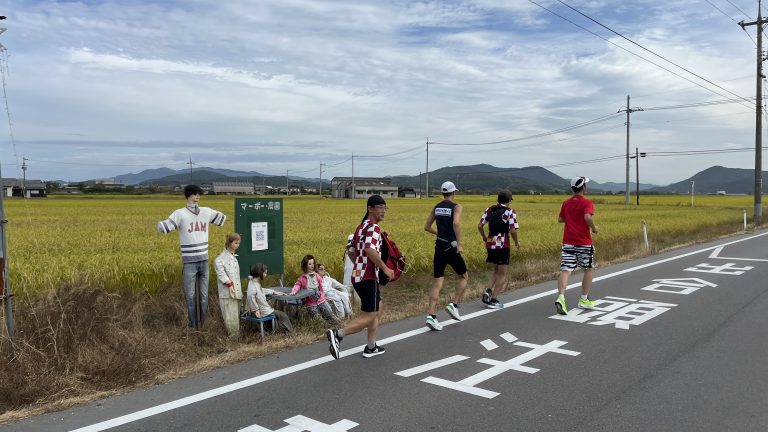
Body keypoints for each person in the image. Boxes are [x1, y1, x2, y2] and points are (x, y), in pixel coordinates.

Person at [326, 195, 394, 359]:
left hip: (358, 276)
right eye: (380, 207)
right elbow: (370, 249)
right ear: (370, 209)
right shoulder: (373, 228)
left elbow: (351, 251)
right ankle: (338, 335)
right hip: (368, 277)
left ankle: (371, 346)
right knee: (370, 314)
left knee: (378, 307)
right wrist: (385, 268)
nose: (383, 211)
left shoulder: (360, 227)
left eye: (385, 207)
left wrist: (360, 264)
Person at [157, 184, 226, 328]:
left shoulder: (206, 211)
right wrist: (160, 224)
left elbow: (222, 219)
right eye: (195, 194)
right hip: (189, 262)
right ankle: (193, 325)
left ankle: (203, 324)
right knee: (190, 296)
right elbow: (164, 228)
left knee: (204, 296)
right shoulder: (180, 214)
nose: (197, 197)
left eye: (199, 194)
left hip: (204, 260)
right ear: (188, 196)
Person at [423, 181, 468, 331]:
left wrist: (440, 233)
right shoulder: (456, 206)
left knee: (438, 282)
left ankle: (431, 315)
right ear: (454, 193)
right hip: (451, 247)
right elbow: (456, 223)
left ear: (443, 193)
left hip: (439, 247)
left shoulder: (437, 207)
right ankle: (453, 305)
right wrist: (459, 243)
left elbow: (427, 227)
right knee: (463, 276)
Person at [555, 176, 599, 315]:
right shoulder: (587, 203)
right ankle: (584, 299)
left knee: (566, 270)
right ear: (583, 187)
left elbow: (560, 219)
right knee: (588, 269)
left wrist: (572, 219)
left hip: (568, 242)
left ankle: (561, 297)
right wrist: (593, 228)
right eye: (586, 184)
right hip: (583, 242)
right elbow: (587, 217)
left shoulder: (566, 203)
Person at [477, 190, 520, 309]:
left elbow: (480, 225)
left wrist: (484, 237)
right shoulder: (510, 212)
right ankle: (493, 300)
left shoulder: (489, 209)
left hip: (490, 242)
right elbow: (513, 230)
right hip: (502, 244)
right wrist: (516, 242)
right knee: (502, 274)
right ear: (509, 201)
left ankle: (488, 291)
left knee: (495, 271)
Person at [245, 263, 294, 334]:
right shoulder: (253, 286)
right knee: (283, 315)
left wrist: (273, 292)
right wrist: (256, 309)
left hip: (262, 309)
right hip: (262, 311)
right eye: (265, 273)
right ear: (260, 273)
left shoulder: (254, 282)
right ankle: (290, 333)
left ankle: (272, 330)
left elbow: (261, 290)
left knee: (279, 315)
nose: (266, 275)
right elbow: (250, 296)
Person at [290, 254, 340, 324]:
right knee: (319, 322)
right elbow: (297, 285)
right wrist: (294, 290)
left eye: (313, 263)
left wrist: (322, 295)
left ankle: (338, 326)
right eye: (310, 264)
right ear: (305, 265)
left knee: (331, 316)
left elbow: (321, 287)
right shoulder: (302, 278)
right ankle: (326, 329)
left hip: (321, 300)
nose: (312, 265)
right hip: (311, 304)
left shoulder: (317, 276)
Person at [214, 233, 243, 339]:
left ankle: (236, 339)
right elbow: (221, 274)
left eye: (239, 243)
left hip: (236, 292)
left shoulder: (234, 258)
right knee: (230, 318)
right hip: (227, 294)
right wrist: (229, 284)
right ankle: (233, 341)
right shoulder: (220, 260)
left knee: (236, 317)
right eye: (236, 243)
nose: (238, 245)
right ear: (229, 243)